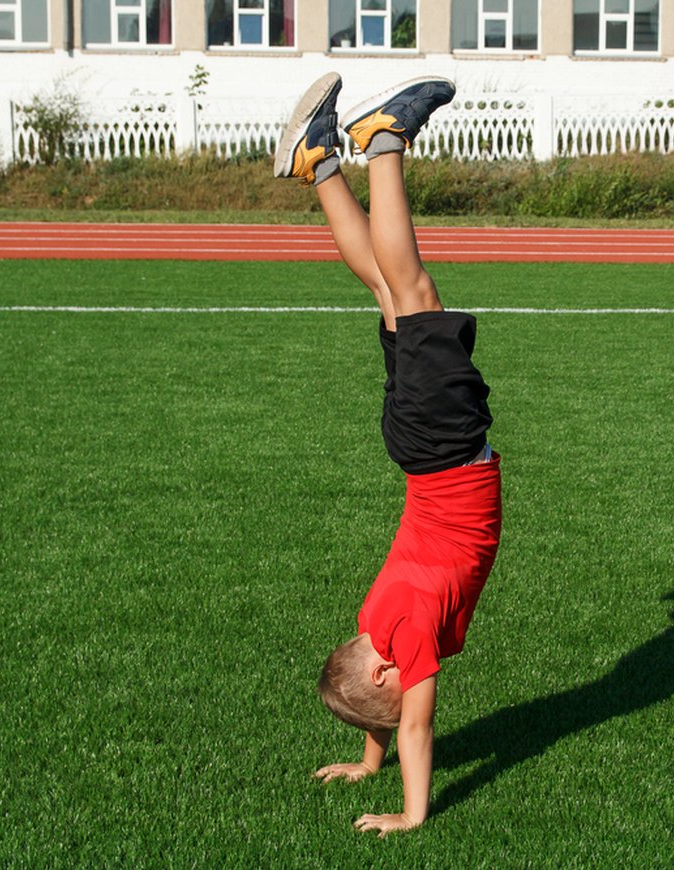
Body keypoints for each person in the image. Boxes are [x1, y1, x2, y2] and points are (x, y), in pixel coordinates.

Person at [274, 73, 502, 837]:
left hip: (445, 452)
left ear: (382, 667)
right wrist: (365, 758)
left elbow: (414, 726)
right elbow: (384, 702)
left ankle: (383, 145)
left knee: (416, 291)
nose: (416, 690)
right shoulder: (375, 623)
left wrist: (409, 811)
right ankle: (318, 164)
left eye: (399, 685)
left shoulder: (403, 643)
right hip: (416, 452)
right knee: (386, 288)